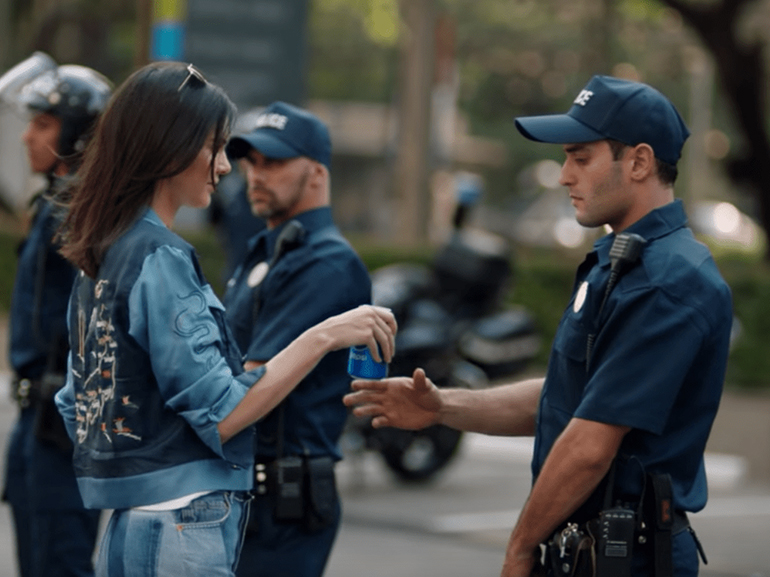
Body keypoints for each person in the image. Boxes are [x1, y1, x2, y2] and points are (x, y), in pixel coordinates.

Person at [344, 75, 732, 577]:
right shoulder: (620, 261)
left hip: (628, 558)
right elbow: (567, 398)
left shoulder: (668, 281)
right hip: (589, 552)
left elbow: (591, 444)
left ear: (638, 161)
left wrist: (520, 547)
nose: (565, 175)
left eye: (580, 157)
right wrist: (442, 406)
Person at [53, 61, 396, 577]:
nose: (227, 168)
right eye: (216, 147)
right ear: (171, 147)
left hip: (130, 522)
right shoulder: (159, 255)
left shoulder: (100, 255)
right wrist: (326, 334)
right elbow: (225, 413)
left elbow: (75, 403)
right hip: (181, 525)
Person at [222, 102, 372, 577]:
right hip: (249, 493)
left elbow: (249, 382)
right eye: (252, 161)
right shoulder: (268, 249)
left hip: (282, 506)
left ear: (317, 174)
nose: (257, 174)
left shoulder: (325, 262)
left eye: (275, 162)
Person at [1, 56, 111, 577]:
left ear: (79, 135)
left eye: (43, 124)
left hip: (61, 426)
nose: (27, 137)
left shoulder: (84, 216)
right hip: (32, 420)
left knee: (59, 562)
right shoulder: (53, 205)